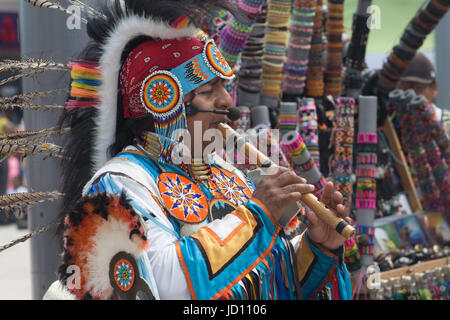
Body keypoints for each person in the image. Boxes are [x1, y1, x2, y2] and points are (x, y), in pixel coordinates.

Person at [52, 0, 352, 300]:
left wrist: (319, 246)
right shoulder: (118, 183)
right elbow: (169, 286)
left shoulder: (226, 172)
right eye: (208, 91)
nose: (225, 103)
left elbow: (270, 282)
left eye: (224, 87)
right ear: (161, 102)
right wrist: (256, 216)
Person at [397, 51, 450, 135]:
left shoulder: (447, 124)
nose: (411, 96)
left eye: (417, 88)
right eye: (403, 89)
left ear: (434, 87)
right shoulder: (389, 127)